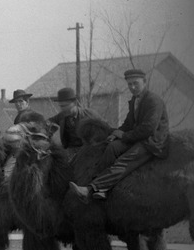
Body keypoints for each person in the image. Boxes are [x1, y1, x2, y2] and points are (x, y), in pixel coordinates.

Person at [69, 69, 169, 202]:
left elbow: (149, 129)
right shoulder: (135, 100)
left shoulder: (153, 100)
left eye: (135, 83)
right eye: (129, 84)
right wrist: (116, 134)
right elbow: (128, 123)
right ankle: (102, 187)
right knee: (112, 147)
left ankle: (90, 190)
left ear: (144, 82)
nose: (132, 87)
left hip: (152, 142)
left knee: (124, 162)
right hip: (139, 137)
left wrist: (124, 136)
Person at [48, 87, 102, 158]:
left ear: (75, 103)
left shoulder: (88, 114)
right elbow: (46, 123)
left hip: (88, 150)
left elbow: (104, 128)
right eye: (61, 106)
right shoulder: (61, 116)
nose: (63, 109)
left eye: (66, 106)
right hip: (69, 150)